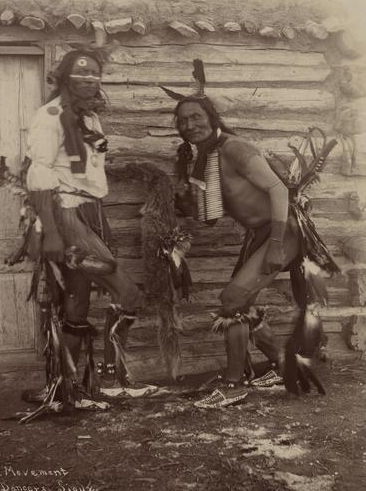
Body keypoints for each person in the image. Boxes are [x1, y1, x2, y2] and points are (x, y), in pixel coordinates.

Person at [161, 60, 338, 409]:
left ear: (212, 118)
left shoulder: (234, 148)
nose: (189, 124)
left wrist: (274, 244)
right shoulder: (205, 158)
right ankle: (281, 365)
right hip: (259, 233)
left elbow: (277, 190)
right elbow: (210, 216)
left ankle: (233, 384)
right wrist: (180, 201)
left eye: (196, 116)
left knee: (232, 300)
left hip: (282, 230)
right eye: (183, 120)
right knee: (242, 302)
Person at [22, 45, 157, 408]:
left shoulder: (90, 119)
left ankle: (66, 390)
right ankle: (113, 380)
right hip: (66, 214)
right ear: (64, 77)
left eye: (96, 73)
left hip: (91, 211)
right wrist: (51, 230)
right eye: (82, 73)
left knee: (77, 304)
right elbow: (39, 175)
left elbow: (88, 170)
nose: (90, 79)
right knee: (128, 293)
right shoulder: (50, 116)